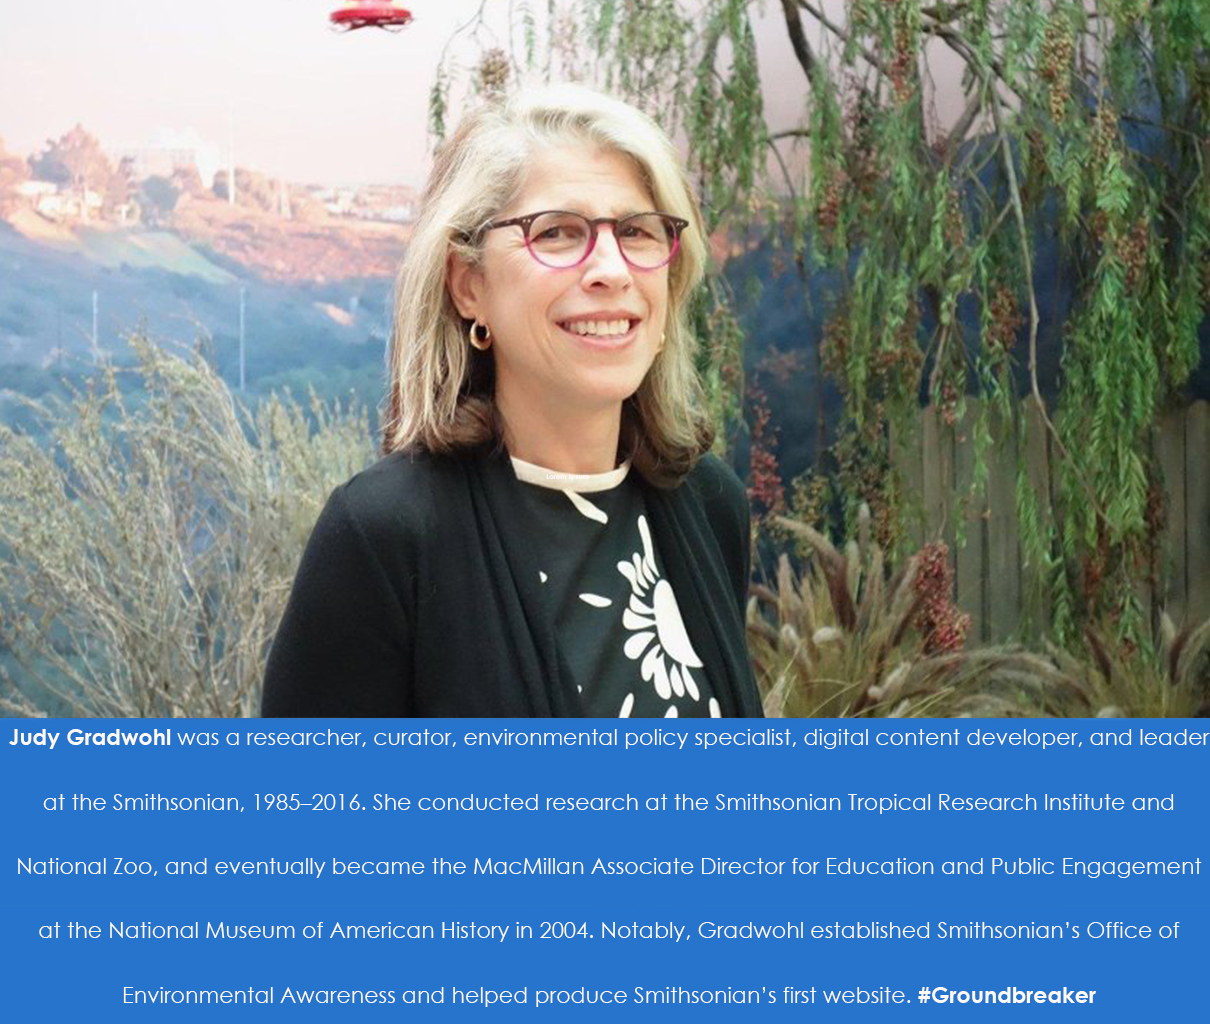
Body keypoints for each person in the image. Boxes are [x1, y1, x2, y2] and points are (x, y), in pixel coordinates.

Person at [261, 84, 762, 718]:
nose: (611, 268)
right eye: (556, 232)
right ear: (469, 286)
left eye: (637, 231)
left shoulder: (709, 505)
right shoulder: (384, 537)